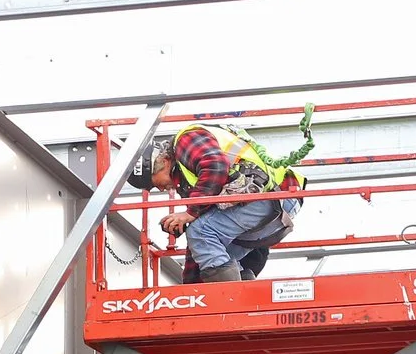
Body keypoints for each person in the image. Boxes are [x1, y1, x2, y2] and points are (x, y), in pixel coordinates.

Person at [131, 121, 305, 283]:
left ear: (161, 161)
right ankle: (240, 297)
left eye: (153, 183)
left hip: (274, 196)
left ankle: (227, 300)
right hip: (275, 204)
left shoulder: (187, 140)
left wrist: (190, 213)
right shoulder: (192, 179)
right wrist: (190, 288)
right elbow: (200, 244)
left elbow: (216, 165)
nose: (160, 189)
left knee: (202, 232)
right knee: (212, 255)